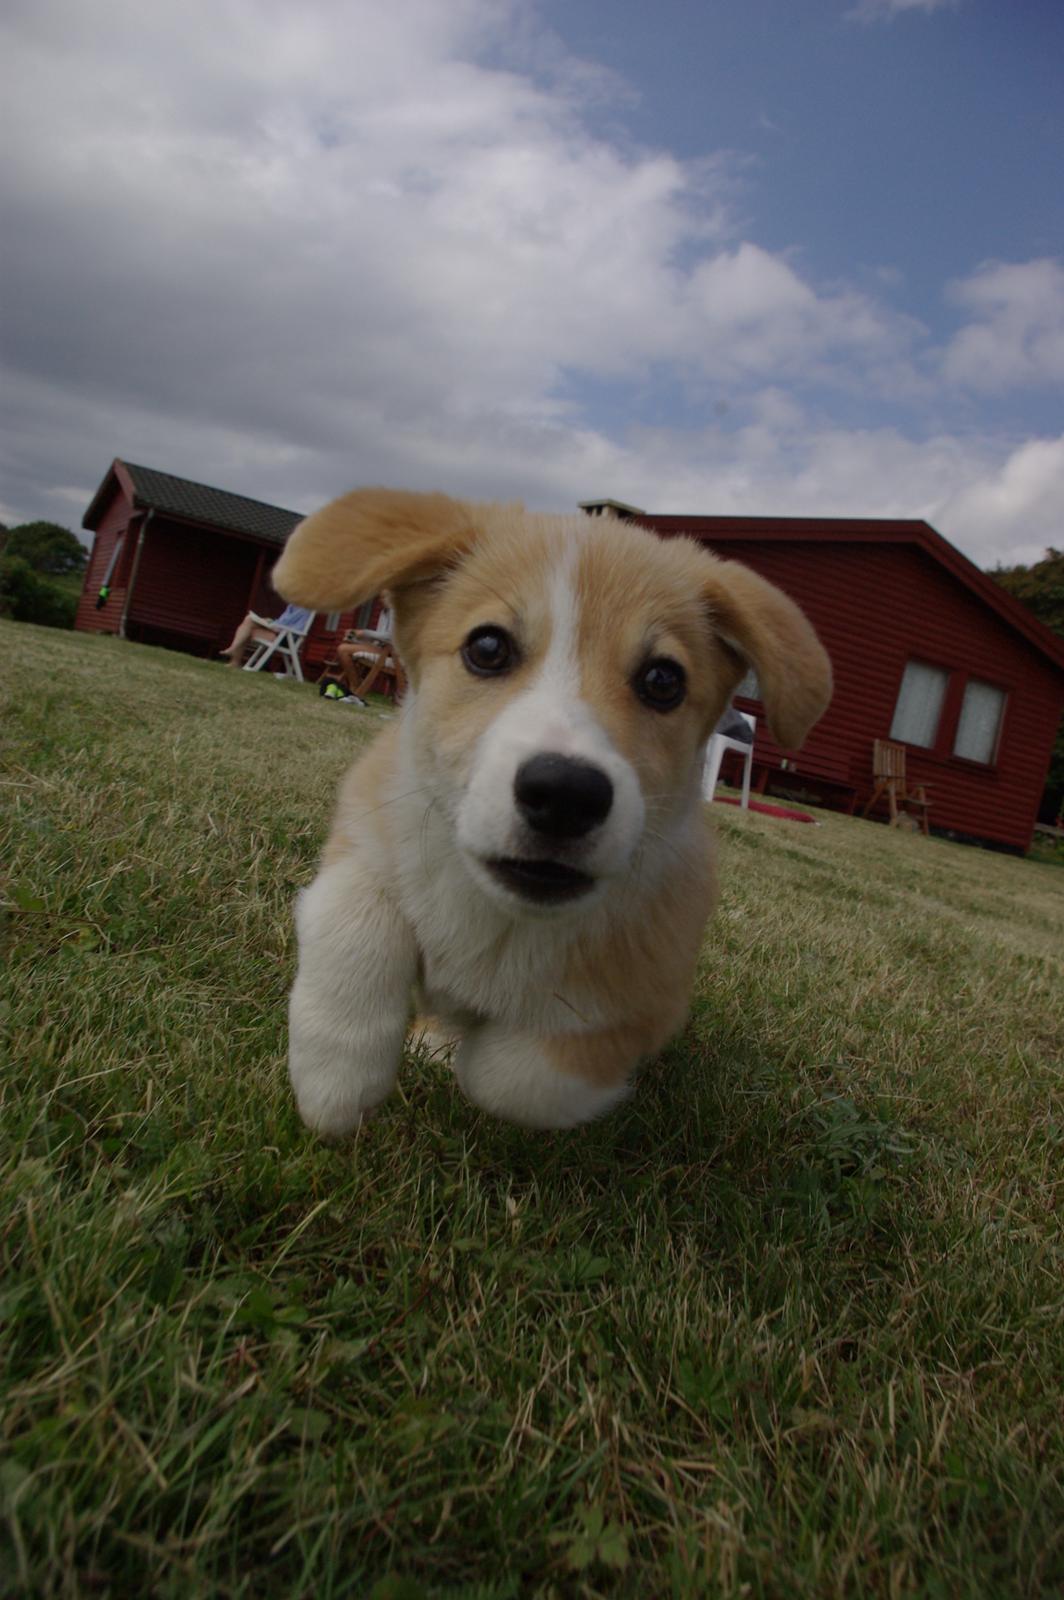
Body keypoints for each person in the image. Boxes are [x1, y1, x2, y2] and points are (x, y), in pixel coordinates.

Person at [332, 608, 404, 705]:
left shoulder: (397, 611)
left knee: (343, 649)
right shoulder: (384, 612)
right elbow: (378, 638)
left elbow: (390, 638)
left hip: (394, 653)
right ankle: (355, 687)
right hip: (383, 648)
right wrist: (355, 638)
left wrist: (363, 633)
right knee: (345, 646)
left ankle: (355, 688)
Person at [220, 603, 312, 667]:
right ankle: (234, 656)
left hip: (288, 639)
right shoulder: (292, 605)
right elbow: (282, 621)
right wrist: (271, 622)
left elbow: (297, 630)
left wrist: (276, 627)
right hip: (277, 633)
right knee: (248, 620)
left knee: (248, 628)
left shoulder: (306, 608)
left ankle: (234, 654)